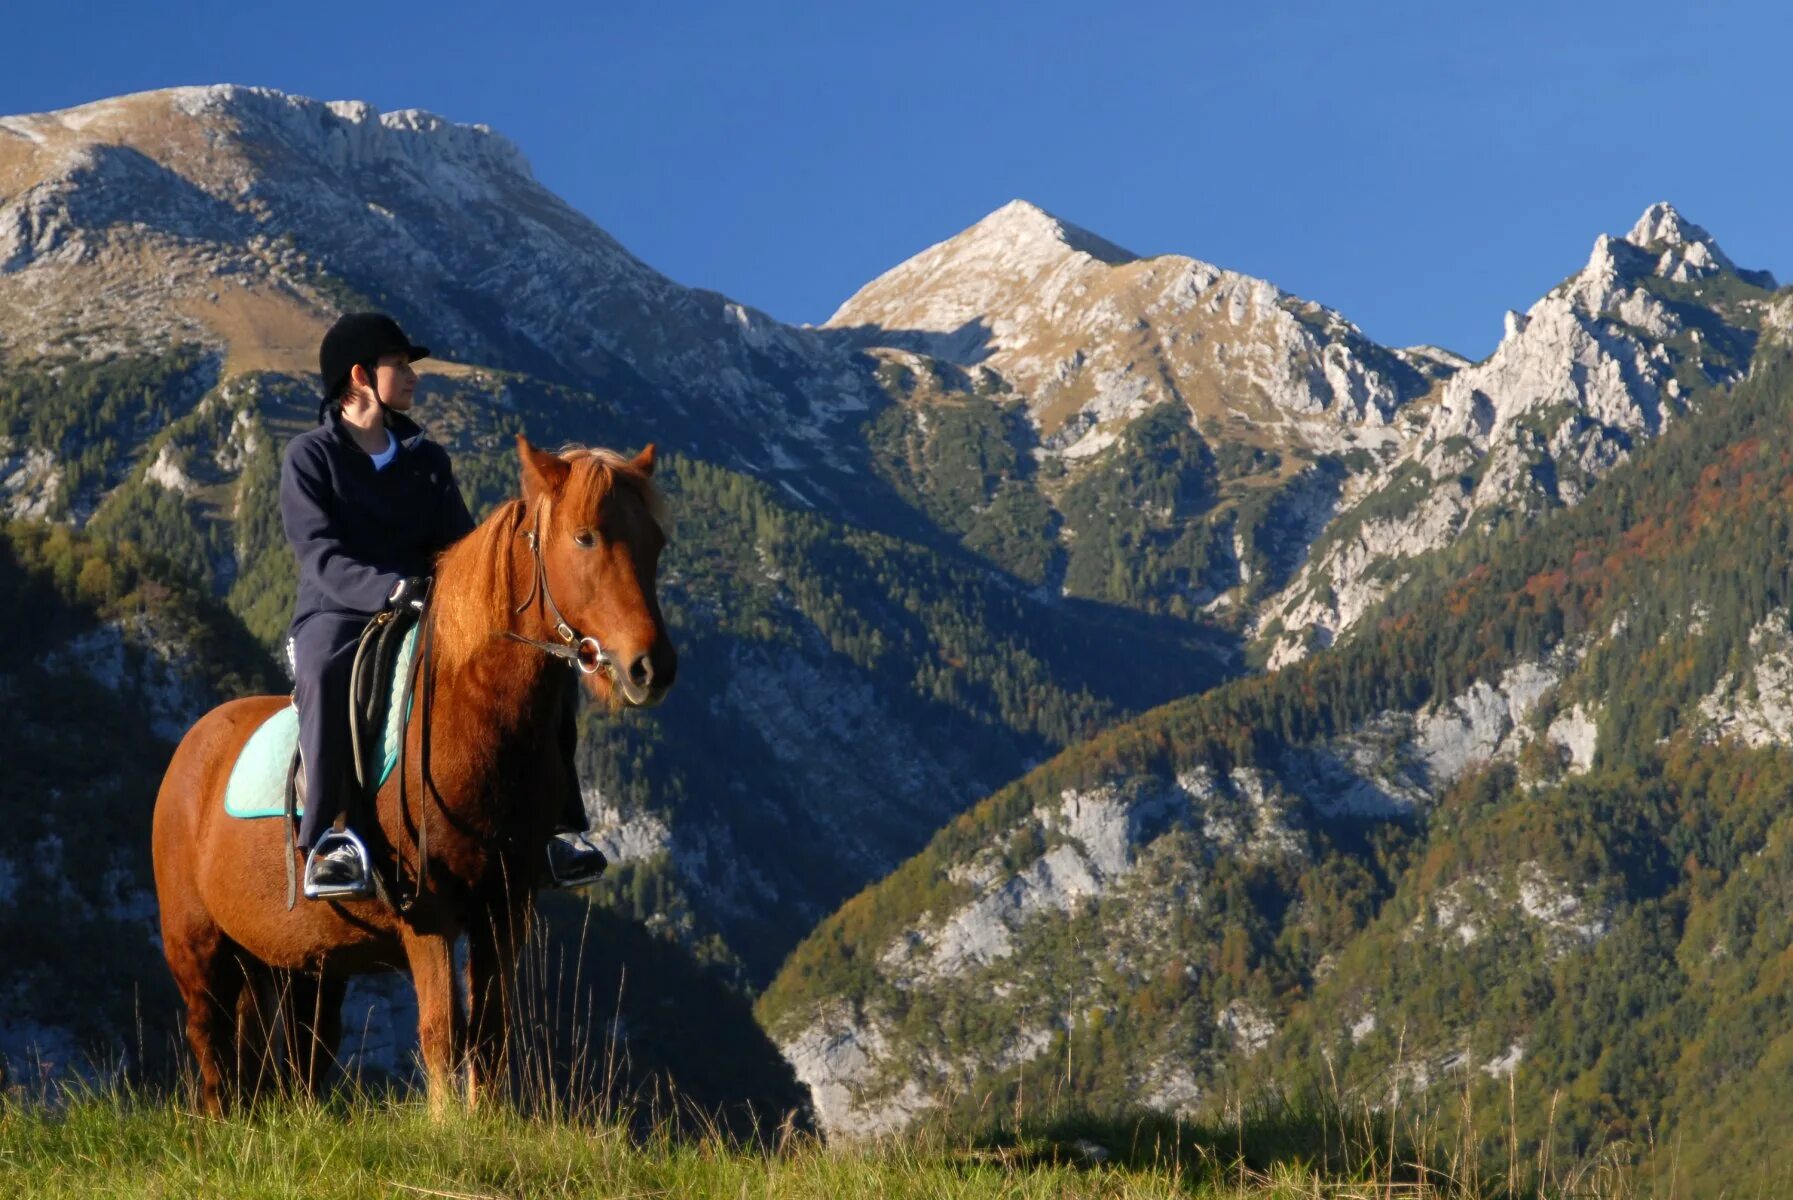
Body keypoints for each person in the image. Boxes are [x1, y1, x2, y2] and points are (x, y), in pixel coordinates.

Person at [280, 312, 608, 896]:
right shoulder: (310, 457)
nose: (412, 376)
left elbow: (458, 548)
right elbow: (320, 557)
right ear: (360, 375)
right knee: (326, 670)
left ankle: (559, 828)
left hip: (427, 607)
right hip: (338, 612)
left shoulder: (427, 461)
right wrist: (387, 589)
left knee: (540, 661)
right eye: (400, 365)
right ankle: (329, 839)